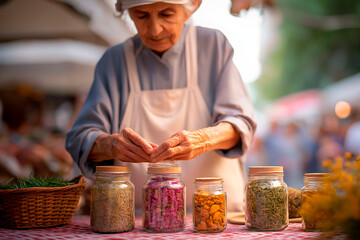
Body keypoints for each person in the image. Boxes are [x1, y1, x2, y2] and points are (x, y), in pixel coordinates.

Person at [66, 0, 256, 212]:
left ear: (190, 7)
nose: (155, 30)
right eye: (141, 15)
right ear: (127, 12)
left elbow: (241, 124)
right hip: (135, 219)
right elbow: (79, 139)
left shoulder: (212, 45)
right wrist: (111, 145)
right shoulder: (114, 61)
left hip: (217, 214)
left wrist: (202, 140)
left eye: (166, 14)